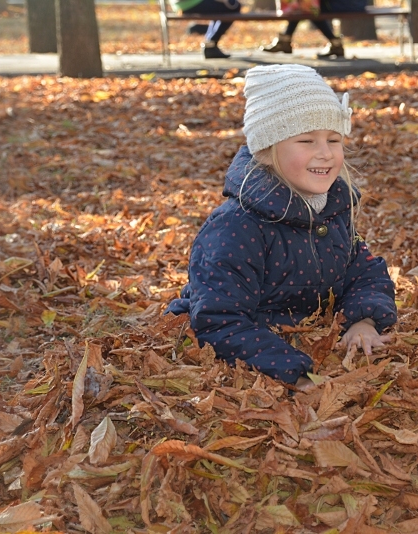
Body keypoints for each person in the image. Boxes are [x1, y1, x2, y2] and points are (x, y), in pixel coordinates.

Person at [165, 64, 397, 391]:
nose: (326, 153)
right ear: (266, 150)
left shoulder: (331, 209)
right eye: (306, 140)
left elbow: (363, 270)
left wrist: (364, 319)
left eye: (334, 139)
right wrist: (292, 371)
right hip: (252, 345)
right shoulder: (236, 227)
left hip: (305, 333)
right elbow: (218, 319)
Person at [262, 0, 367, 59]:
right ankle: (335, 43)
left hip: (348, 4)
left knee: (309, 10)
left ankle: (284, 41)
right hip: (352, 3)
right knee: (306, 9)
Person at [171, 0, 242, 59]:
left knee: (222, 8)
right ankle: (211, 44)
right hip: (190, 2)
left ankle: (210, 44)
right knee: (234, 6)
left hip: (179, 4)